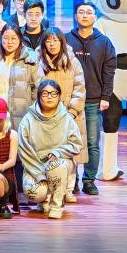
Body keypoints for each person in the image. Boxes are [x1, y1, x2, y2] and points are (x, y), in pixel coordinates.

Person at [66, 1, 115, 196]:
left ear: (95, 17)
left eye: (89, 12)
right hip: (70, 100)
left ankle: (89, 180)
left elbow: (109, 71)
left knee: (93, 143)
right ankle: (72, 181)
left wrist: (106, 96)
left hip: (94, 100)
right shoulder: (66, 39)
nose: (85, 15)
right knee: (69, 141)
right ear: (75, 16)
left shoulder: (104, 42)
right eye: (81, 12)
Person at [17, 79, 82, 219]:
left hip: (60, 163)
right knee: (34, 192)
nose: (50, 97)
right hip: (35, 165)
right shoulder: (28, 120)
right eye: (45, 93)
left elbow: (77, 144)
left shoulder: (66, 119)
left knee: (55, 166)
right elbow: (24, 150)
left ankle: (57, 204)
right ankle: (44, 199)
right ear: (39, 96)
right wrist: (39, 174)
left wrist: (59, 151)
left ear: (59, 96)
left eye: (54, 93)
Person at [38, 30, 87, 202]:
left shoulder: (72, 61)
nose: (52, 44)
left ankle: (68, 189)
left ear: (62, 42)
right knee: (48, 153)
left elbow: (80, 88)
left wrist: (72, 111)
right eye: (48, 41)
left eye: (55, 40)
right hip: (46, 116)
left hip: (69, 116)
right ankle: (51, 189)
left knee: (69, 153)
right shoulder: (38, 61)